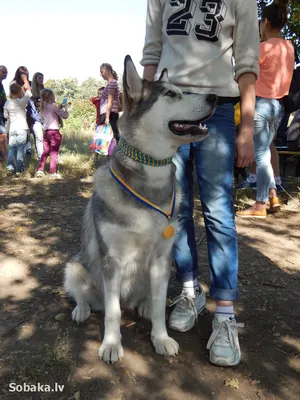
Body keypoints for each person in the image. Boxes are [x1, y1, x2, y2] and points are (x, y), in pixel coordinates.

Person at [141, 0, 259, 366]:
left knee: (219, 209)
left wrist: (248, 128)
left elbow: (247, 61)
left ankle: (224, 312)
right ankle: (189, 290)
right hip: (167, 107)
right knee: (173, 209)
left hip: (218, 107)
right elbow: (152, 52)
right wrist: (141, 118)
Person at [236, 0, 294, 219]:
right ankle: (272, 195)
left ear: (266, 22)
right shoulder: (289, 47)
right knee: (266, 153)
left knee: (260, 157)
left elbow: (246, 72)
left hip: (261, 104)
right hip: (278, 106)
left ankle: (260, 205)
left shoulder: (262, 48)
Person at [11, 67, 44, 159]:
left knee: (39, 135)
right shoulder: (14, 84)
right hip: (21, 115)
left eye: (25, 74)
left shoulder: (29, 84)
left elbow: (31, 97)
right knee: (25, 138)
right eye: (22, 74)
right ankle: (25, 158)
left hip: (33, 114)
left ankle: (41, 157)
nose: (24, 76)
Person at [36, 89, 69, 179]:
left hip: (46, 132)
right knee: (54, 153)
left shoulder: (43, 107)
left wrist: (60, 106)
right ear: (51, 97)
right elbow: (65, 116)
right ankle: (52, 172)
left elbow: (52, 112)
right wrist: (65, 107)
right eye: (54, 96)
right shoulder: (54, 106)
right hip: (54, 132)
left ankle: (40, 170)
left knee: (45, 152)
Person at [4, 83, 32, 174]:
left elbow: (5, 115)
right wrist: (27, 88)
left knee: (12, 148)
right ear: (19, 92)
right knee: (20, 149)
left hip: (12, 129)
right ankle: (20, 169)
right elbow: (28, 95)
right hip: (22, 128)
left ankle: (10, 167)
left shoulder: (7, 103)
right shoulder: (21, 102)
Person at [99, 63, 120, 141]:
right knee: (106, 137)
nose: (100, 74)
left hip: (109, 114)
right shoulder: (110, 84)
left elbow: (110, 101)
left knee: (113, 136)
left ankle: (119, 151)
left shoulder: (112, 83)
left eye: (102, 72)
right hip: (107, 113)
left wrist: (107, 118)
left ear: (108, 71)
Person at [0, 65, 8, 160]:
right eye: (3, 72)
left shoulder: (1, 84)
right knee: (3, 135)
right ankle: (7, 160)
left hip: (2, 112)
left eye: (6, 73)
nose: (5, 74)